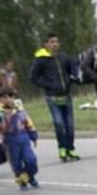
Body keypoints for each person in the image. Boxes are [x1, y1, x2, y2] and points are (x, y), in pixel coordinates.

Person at [29, 33, 79, 162]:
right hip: (52, 96)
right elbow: (33, 77)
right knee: (59, 123)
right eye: (52, 42)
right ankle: (62, 148)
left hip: (66, 95)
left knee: (69, 124)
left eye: (56, 41)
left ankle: (70, 148)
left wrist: (72, 78)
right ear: (46, 44)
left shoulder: (63, 57)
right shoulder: (41, 59)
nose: (55, 44)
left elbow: (72, 67)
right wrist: (48, 85)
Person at [0, 87, 39, 189]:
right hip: (9, 140)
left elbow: (28, 121)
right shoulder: (1, 112)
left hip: (23, 137)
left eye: (10, 96)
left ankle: (30, 175)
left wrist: (33, 135)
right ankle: (21, 179)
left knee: (31, 159)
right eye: (4, 97)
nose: (8, 99)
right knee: (15, 162)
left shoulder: (19, 109)